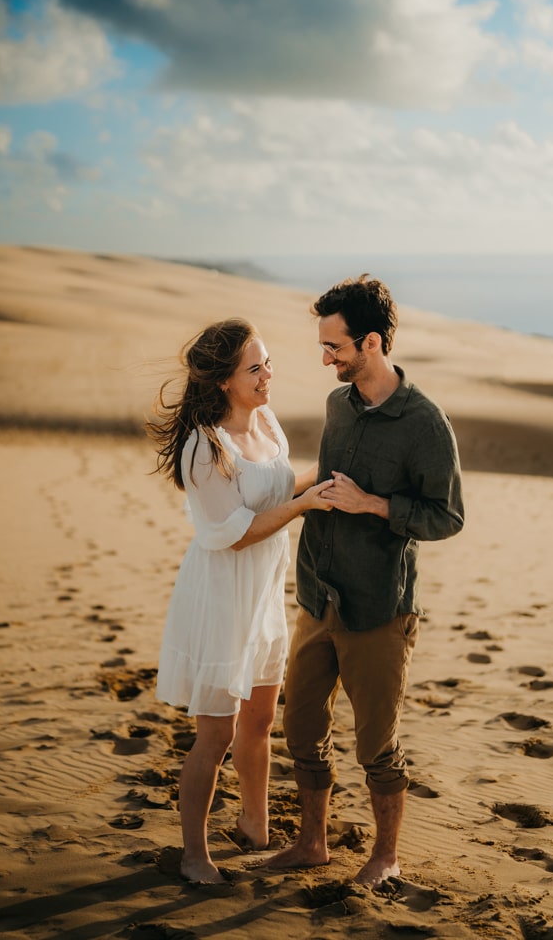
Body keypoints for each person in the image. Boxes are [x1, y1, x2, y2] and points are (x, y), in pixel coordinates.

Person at [264, 275, 464, 888]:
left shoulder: (425, 424)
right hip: (317, 595)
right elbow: (327, 482)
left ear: (371, 343)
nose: (325, 359)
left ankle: (385, 856)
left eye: (335, 348)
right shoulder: (336, 406)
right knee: (300, 727)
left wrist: (373, 505)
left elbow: (447, 516)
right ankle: (313, 843)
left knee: (376, 745)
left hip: (379, 608)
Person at [147, 317, 333, 885]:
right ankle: (194, 854)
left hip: (263, 596)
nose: (268, 374)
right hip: (221, 599)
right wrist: (306, 507)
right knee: (217, 734)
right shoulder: (205, 447)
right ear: (225, 380)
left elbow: (279, 488)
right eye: (255, 368)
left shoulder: (267, 421)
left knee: (257, 720)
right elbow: (231, 531)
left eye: (268, 362)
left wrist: (326, 477)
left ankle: (255, 825)